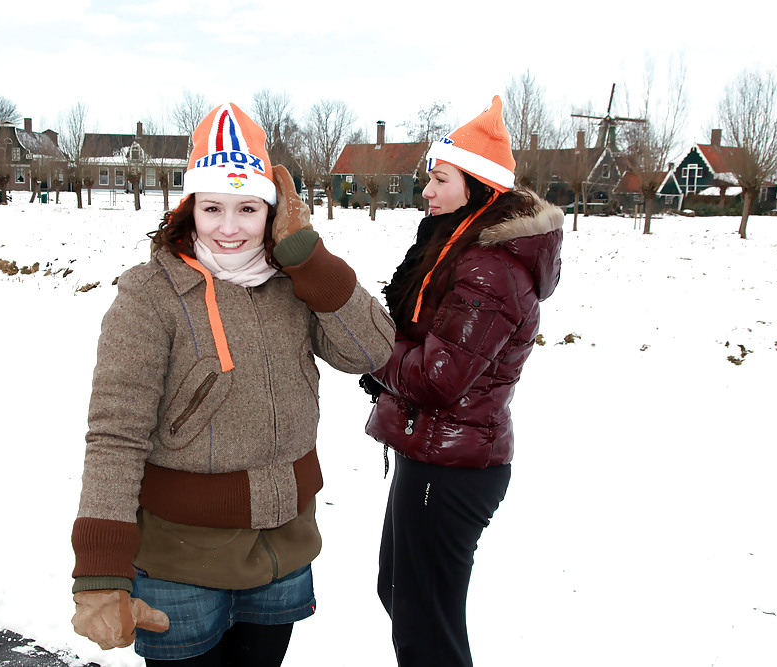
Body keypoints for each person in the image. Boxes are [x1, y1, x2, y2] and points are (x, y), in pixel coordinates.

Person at [70, 102, 395, 666]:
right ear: (189, 209)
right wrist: (101, 570)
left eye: (248, 208)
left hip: (284, 547)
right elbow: (115, 435)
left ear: (273, 212)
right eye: (212, 207)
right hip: (179, 559)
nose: (228, 227)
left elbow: (371, 350)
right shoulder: (149, 297)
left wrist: (308, 258)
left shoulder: (296, 283)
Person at [360, 96, 563, 666]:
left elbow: (437, 379)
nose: (426, 190)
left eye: (439, 177)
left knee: (426, 630)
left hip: (451, 466)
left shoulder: (488, 266)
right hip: (433, 454)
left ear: (477, 186)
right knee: (403, 597)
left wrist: (367, 344)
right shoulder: (459, 248)